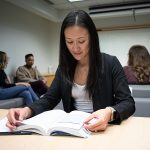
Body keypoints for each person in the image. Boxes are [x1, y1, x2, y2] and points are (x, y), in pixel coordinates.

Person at [6, 10, 135, 132]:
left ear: (92, 38)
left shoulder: (110, 63)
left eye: (81, 41)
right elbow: (50, 98)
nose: (75, 48)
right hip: (74, 130)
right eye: (69, 42)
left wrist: (109, 112)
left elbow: (127, 102)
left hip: (102, 129)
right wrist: (27, 110)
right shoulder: (64, 67)